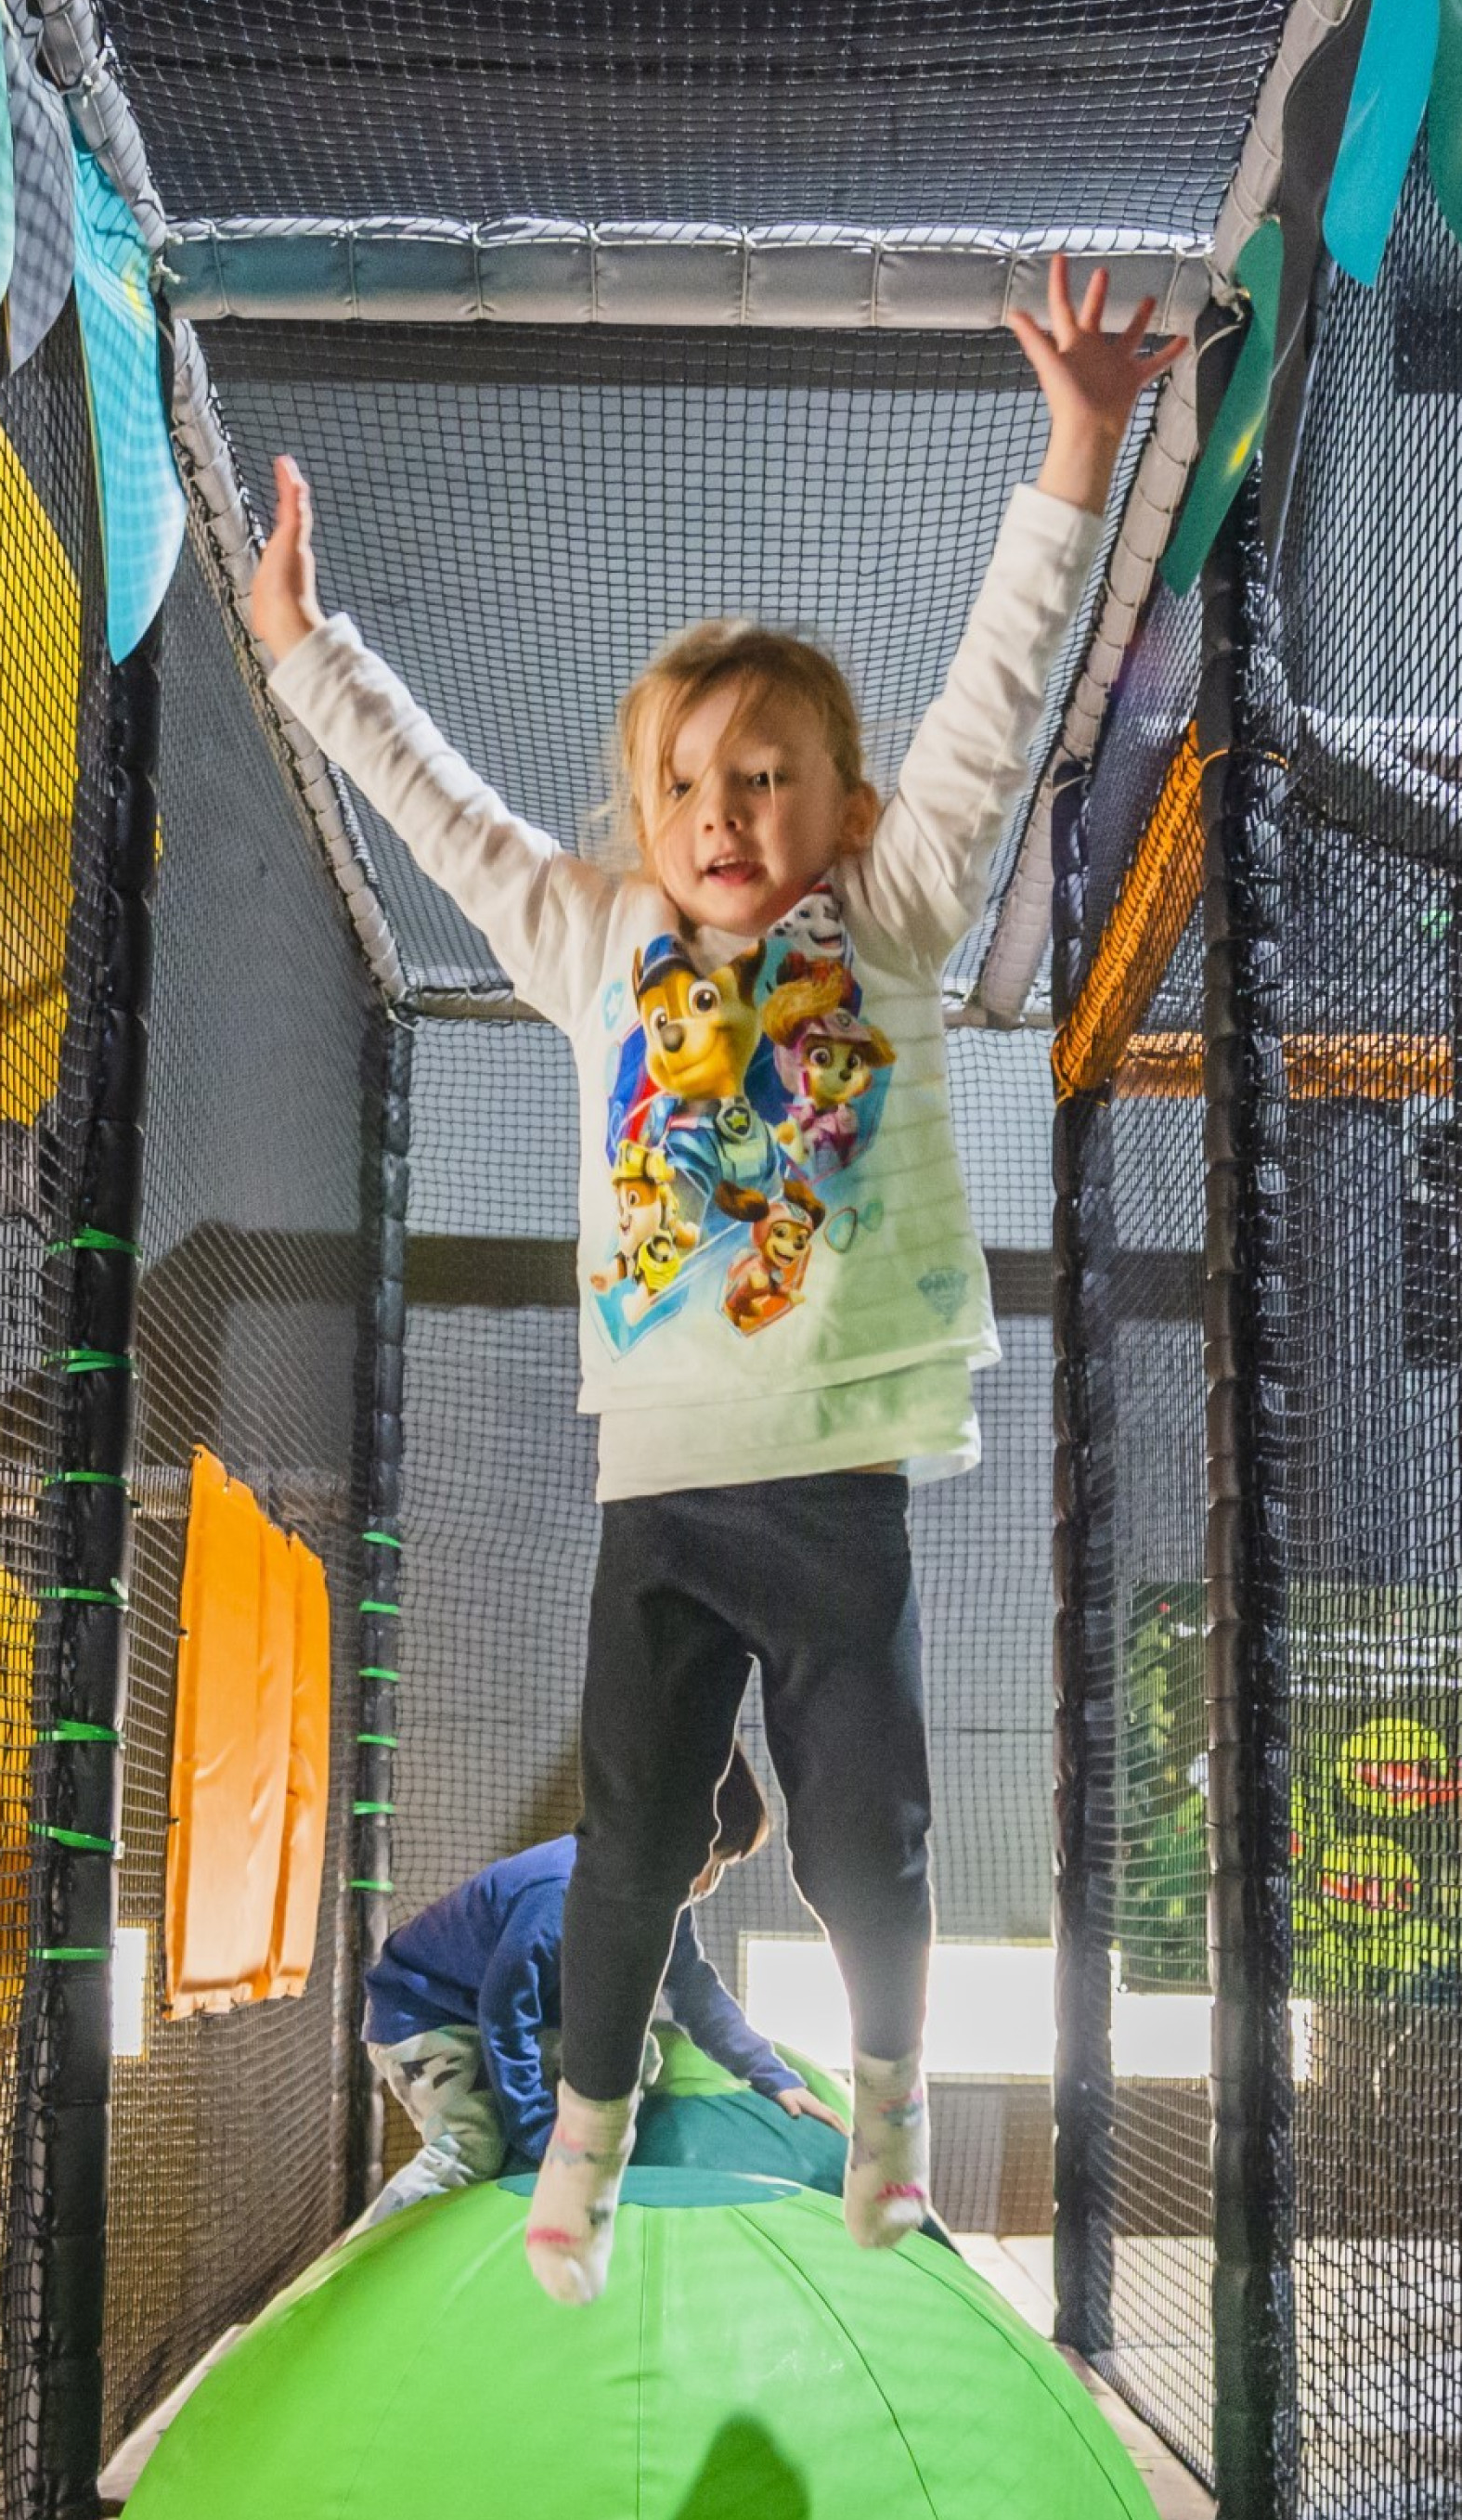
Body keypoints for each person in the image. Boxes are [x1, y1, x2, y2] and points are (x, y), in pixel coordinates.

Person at [252, 258, 1178, 2303]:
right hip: (661, 1487)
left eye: (765, 777)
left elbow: (994, 692)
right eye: (681, 784)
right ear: (644, 823)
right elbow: (451, 824)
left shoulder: (900, 909)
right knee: (639, 1838)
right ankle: (574, 2146)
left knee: (867, 1838)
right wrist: (308, 656)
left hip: (837, 1471)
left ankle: (893, 2119)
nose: (721, 814)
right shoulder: (597, 949)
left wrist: (1078, 449)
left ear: (837, 811)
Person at [356, 1746, 835, 2226]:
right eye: (713, 1861)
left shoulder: (659, 1901)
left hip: (500, 2013)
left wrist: (773, 2077)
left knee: (639, 2053)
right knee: (471, 2147)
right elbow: (505, 2017)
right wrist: (540, 2136)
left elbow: (695, 1993)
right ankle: (362, 2259)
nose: (711, 1882)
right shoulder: (561, 1891)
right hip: (426, 2014)